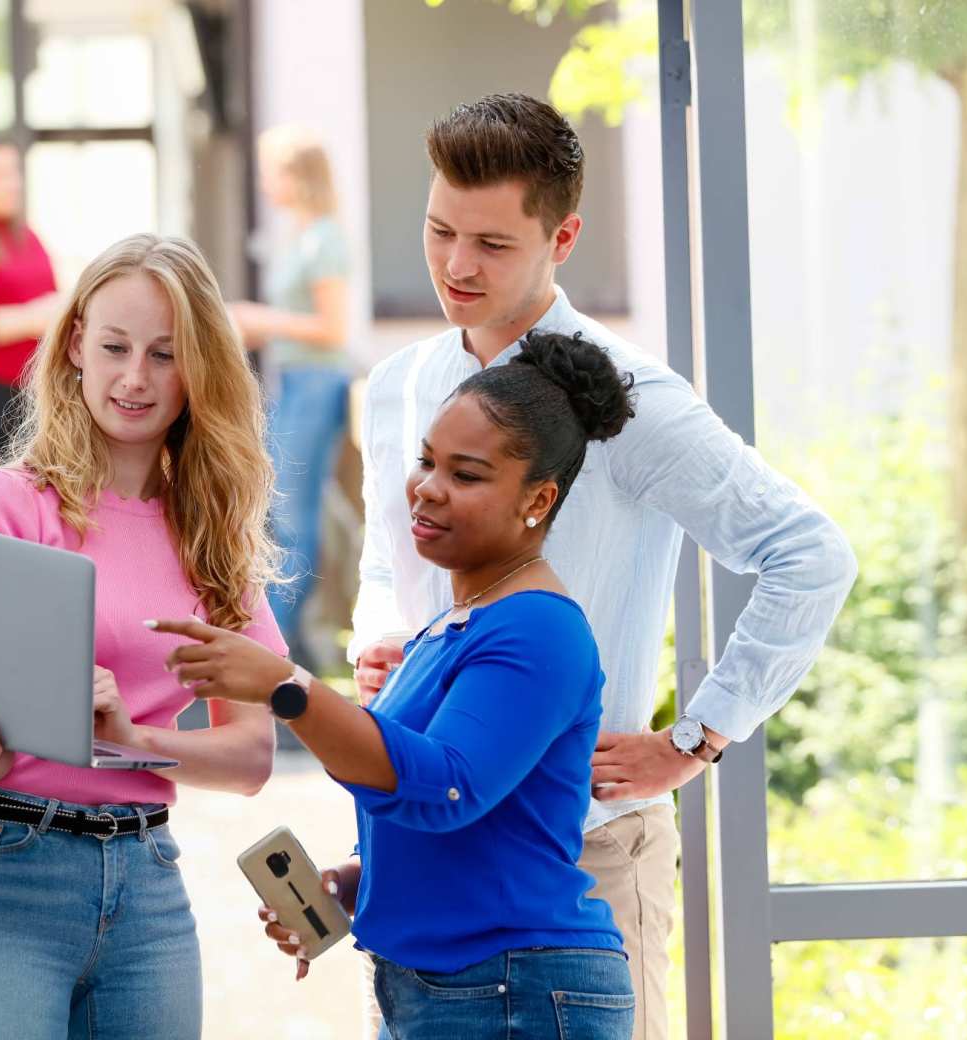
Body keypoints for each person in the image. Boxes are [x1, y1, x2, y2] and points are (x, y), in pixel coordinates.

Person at [348, 93, 858, 1040]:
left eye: (493, 244)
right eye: (439, 230)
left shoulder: (632, 402)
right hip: (427, 861)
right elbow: (386, 562)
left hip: (585, 862)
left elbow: (810, 555)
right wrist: (384, 640)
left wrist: (698, 737)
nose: (457, 266)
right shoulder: (399, 385)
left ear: (564, 235)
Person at [152, 329, 641, 1039]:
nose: (429, 488)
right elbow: (453, 817)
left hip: (515, 991)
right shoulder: (452, 626)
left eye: (466, 475)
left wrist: (286, 688)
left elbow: (444, 787)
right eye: (426, 461)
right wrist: (358, 884)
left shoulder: (539, 629)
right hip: (440, 988)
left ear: (539, 499)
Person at [0, 233, 286, 1039]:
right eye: (113, 346)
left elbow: (251, 756)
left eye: (164, 354)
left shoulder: (211, 538)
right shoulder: (2, 509)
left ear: (199, 370)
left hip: (147, 888)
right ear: (76, 344)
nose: (134, 378)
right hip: (6, 870)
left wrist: (130, 739)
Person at [228, 125, 352, 671]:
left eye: (272, 171)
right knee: (279, 514)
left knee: (292, 518)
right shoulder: (301, 235)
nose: (265, 182)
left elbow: (333, 329)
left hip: (316, 384)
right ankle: (280, 639)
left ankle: (279, 644)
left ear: (296, 176)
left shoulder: (326, 239)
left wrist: (262, 320)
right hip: (293, 383)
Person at [0, 136, 60, 470]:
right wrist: (29, 318)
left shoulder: (27, 236)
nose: (11, 184)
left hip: (43, 391)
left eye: (14, 173)